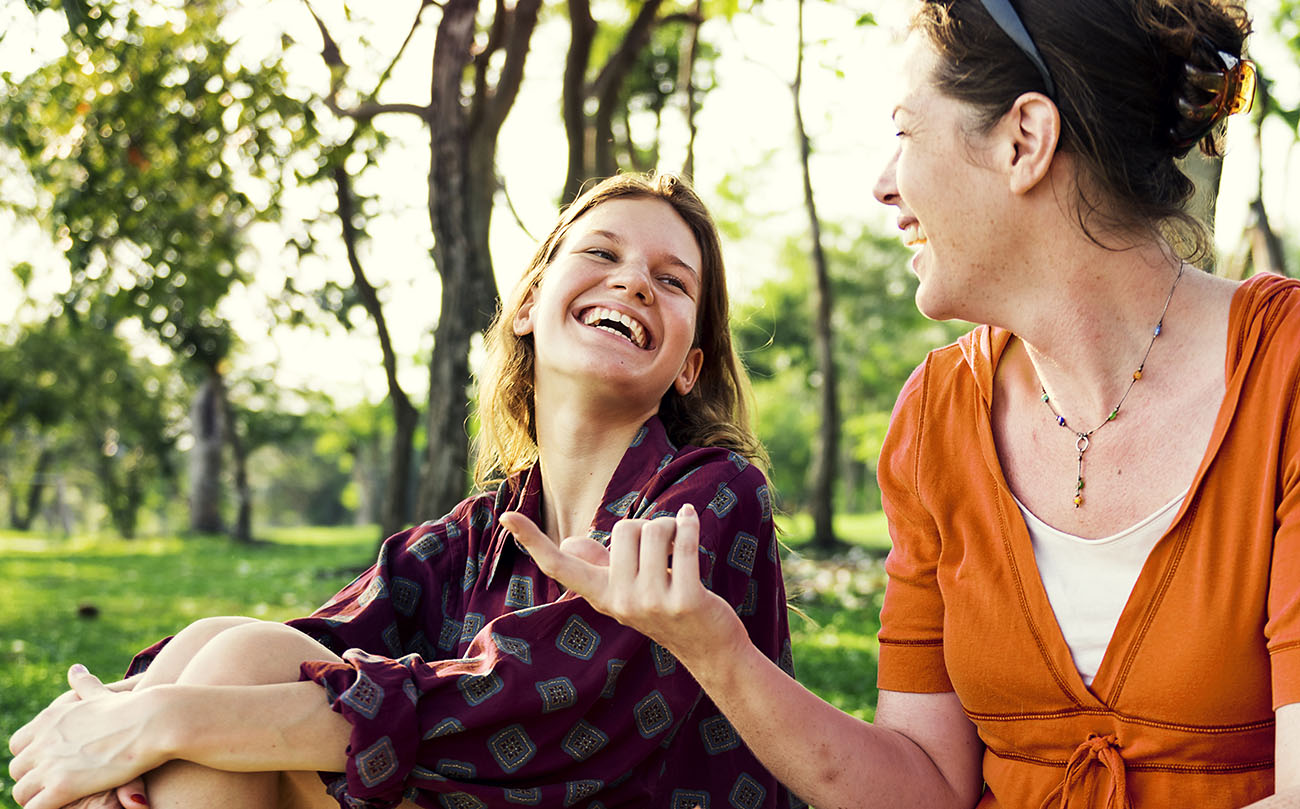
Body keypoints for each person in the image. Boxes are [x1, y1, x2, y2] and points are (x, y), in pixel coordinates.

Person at [507, 1, 1300, 807]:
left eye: (905, 133)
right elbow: (925, 780)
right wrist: (715, 648)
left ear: (1023, 140)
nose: (883, 185)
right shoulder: (937, 416)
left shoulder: (1289, 377)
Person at [7, 172, 798, 809]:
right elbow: (327, 626)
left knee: (231, 679)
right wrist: (111, 706)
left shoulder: (708, 496)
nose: (632, 283)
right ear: (528, 306)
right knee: (234, 644)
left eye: (671, 279)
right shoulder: (488, 524)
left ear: (688, 366)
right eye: (601, 253)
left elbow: (543, 707)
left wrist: (160, 718)